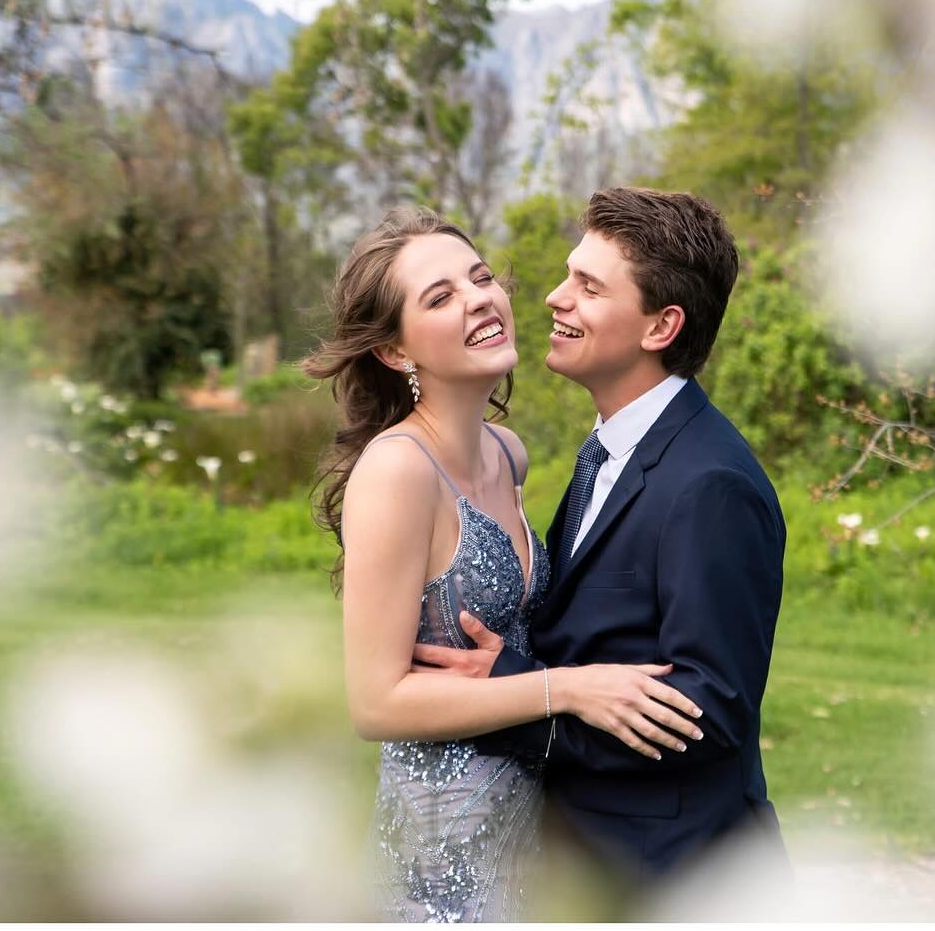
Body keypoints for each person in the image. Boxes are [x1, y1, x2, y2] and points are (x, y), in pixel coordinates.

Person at [302, 207, 704, 922]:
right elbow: (376, 702)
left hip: (524, 833)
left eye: (480, 277)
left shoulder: (506, 451)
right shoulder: (397, 471)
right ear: (396, 351)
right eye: (440, 297)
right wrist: (569, 689)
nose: (479, 298)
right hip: (440, 854)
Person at [412, 187, 789, 911]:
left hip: (669, 879)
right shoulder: (613, 450)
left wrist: (519, 697)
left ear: (661, 325)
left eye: (588, 286)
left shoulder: (709, 483)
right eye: (567, 275)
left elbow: (706, 709)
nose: (556, 297)